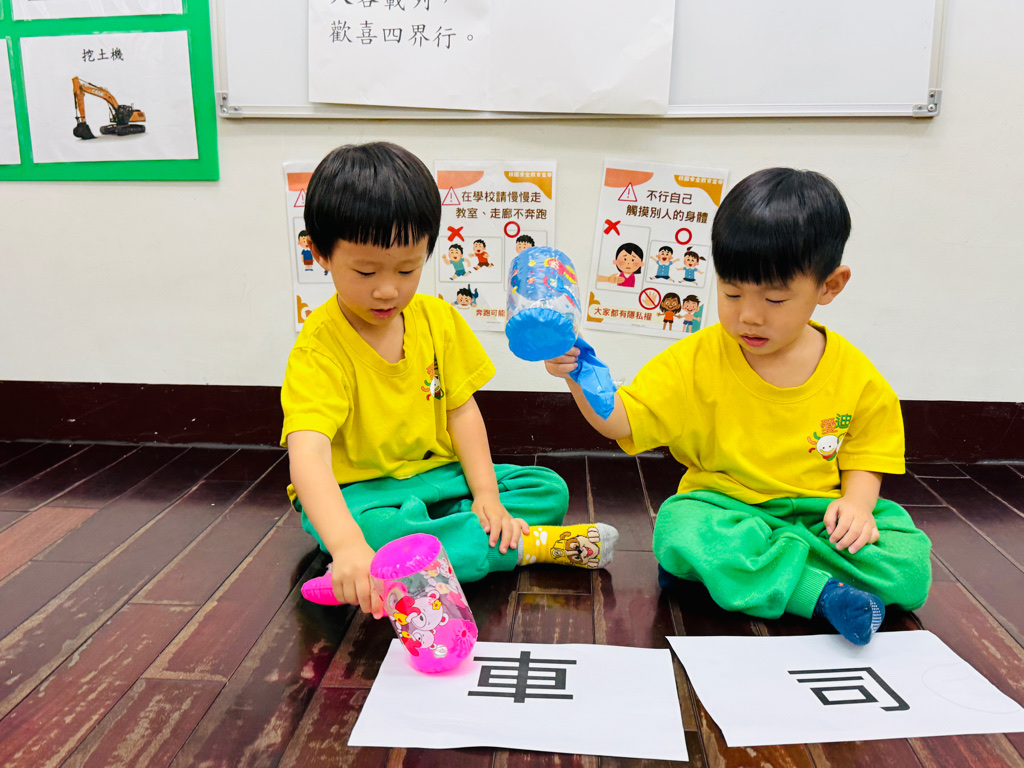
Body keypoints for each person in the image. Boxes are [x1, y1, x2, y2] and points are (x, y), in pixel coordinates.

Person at [545, 168, 931, 645]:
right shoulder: (696, 359)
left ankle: (754, 576)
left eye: (775, 299)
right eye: (731, 293)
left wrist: (856, 506)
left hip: (818, 517)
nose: (748, 315)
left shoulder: (856, 375)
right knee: (679, 528)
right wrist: (579, 374)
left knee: (910, 564)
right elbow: (622, 421)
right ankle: (819, 592)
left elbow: (867, 454)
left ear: (830, 286)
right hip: (725, 510)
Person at [281, 142, 617, 616]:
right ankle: (526, 545)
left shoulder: (438, 320)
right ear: (320, 253)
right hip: (364, 495)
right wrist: (347, 546)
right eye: (365, 271)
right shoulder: (318, 350)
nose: (387, 290)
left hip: (440, 477)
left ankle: (448, 537)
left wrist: (486, 496)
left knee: (547, 488)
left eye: (407, 269)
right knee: (375, 536)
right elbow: (309, 456)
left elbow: (461, 412)